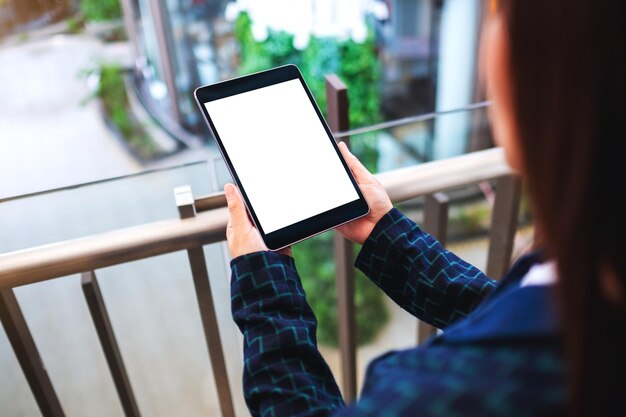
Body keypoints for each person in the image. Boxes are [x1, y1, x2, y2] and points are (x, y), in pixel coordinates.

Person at [223, 0, 626, 416]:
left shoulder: (438, 394)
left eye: (501, 12)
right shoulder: (590, 282)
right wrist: (388, 235)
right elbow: (505, 316)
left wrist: (263, 284)